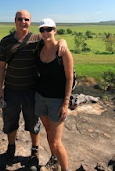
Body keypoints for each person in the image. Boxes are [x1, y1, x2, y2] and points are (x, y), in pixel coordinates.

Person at [0, 10, 67, 168]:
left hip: (32, 91)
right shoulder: (6, 41)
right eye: (20, 19)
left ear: (30, 21)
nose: (23, 22)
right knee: (10, 122)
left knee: (33, 124)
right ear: (15, 20)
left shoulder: (37, 39)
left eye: (26, 19)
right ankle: (11, 148)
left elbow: (52, 43)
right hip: (11, 90)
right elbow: (1, 66)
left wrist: (63, 41)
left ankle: (34, 152)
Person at [35, 18, 73, 171]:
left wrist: (66, 102)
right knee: (49, 132)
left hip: (57, 100)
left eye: (48, 29)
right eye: (42, 30)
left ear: (55, 30)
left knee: (56, 142)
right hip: (40, 97)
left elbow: (69, 77)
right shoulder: (39, 48)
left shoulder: (62, 51)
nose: (45, 32)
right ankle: (53, 159)